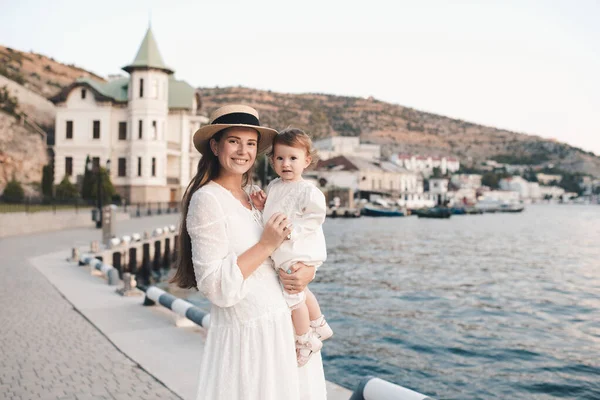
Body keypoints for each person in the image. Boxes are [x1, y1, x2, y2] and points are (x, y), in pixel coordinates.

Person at [171, 105, 327, 400]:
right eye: (234, 141)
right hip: (252, 344)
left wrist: (307, 272)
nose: (243, 150)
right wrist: (266, 244)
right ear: (215, 146)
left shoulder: (257, 196)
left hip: (284, 334)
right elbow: (216, 287)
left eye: (251, 143)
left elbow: (287, 250)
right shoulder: (207, 200)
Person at [251, 128, 333, 367]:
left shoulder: (308, 191)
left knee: (293, 299)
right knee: (301, 291)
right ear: (272, 161)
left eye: (293, 158)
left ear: (306, 161)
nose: (286, 163)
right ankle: (319, 323)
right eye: (280, 158)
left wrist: (293, 231)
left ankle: (305, 339)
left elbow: (315, 217)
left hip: (297, 249)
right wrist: (261, 205)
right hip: (282, 250)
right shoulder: (274, 186)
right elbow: (271, 215)